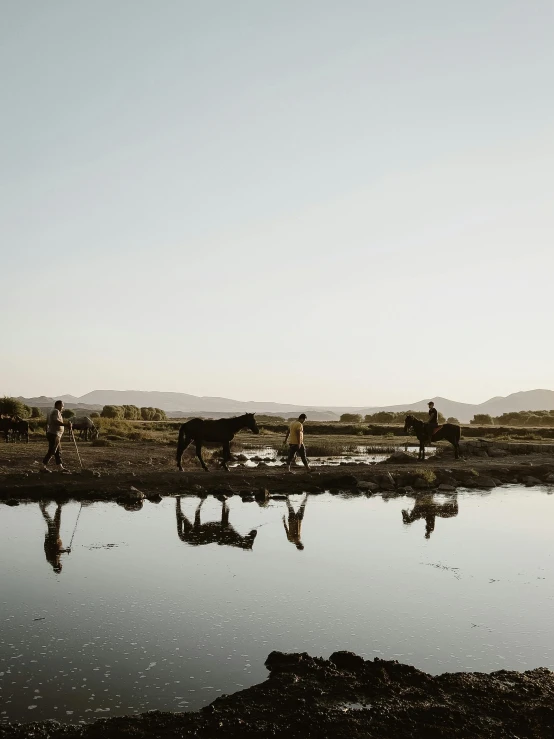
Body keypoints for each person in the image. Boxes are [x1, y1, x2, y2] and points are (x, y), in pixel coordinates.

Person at [42, 400, 71, 473]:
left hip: (54, 434)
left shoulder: (52, 411)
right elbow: (55, 421)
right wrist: (66, 425)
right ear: (58, 405)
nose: (63, 408)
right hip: (54, 434)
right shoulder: (55, 411)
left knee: (57, 451)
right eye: (62, 406)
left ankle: (60, 468)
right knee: (52, 451)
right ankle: (42, 467)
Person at [39, 501, 69, 573]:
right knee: (57, 522)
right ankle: (59, 505)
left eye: (61, 567)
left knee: (51, 524)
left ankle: (43, 508)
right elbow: (57, 550)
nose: (61, 565)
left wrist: (65, 551)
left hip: (53, 538)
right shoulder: (51, 561)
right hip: (53, 538)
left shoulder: (54, 561)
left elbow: (57, 550)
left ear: (59, 567)